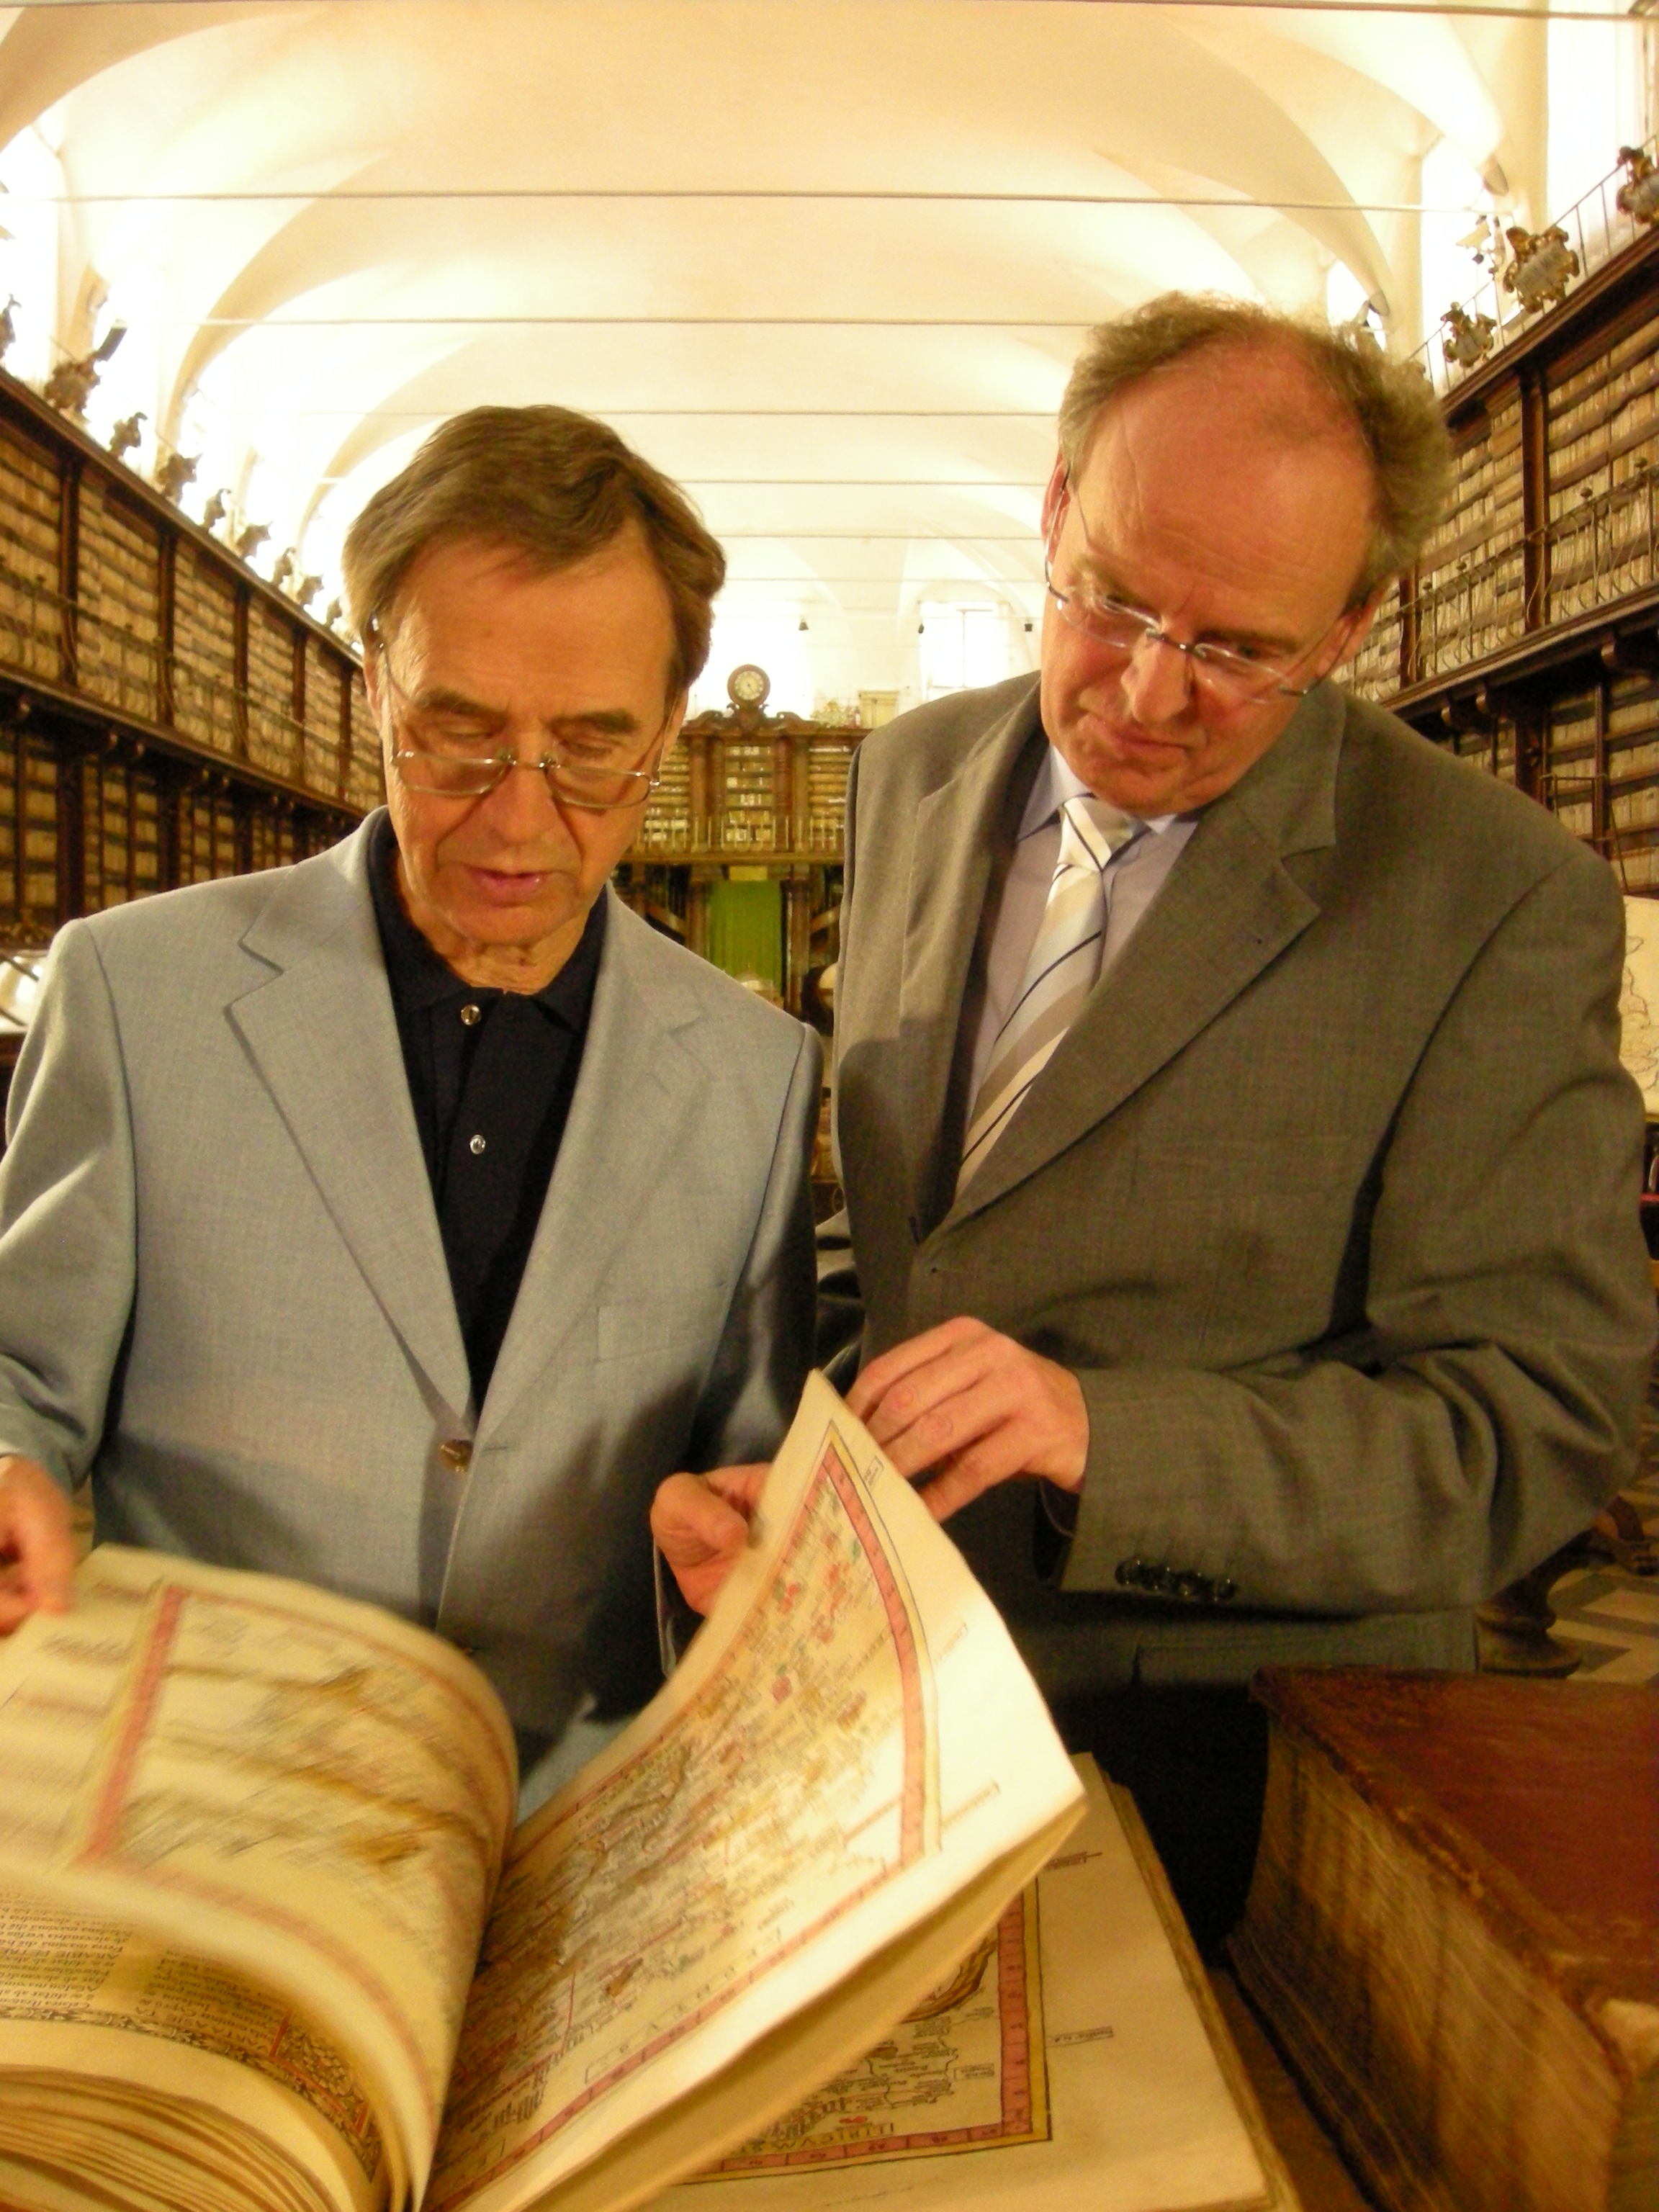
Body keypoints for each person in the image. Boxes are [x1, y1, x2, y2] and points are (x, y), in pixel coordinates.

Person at [654, 296, 1655, 1946]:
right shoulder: (914, 777)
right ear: (1055, 506)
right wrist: (784, 1453)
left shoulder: (1491, 899)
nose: (1144, 688)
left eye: (1238, 649)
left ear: (1350, 627)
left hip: (1233, 1770)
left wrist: (1106, 1438)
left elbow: (1528, 1430)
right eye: (1109, 598)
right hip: (883, 1704)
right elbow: (895, 1238)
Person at [0, 405, 819, 1802]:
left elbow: (748, 1470)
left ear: (671, 731)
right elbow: (19, 1370)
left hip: (575, 1824)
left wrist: (748, 1544)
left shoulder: (758, 1075)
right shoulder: (137, 996)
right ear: (374, 684)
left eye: (591, 747)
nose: (518, 817)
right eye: (460, 731)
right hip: (201, 1807)